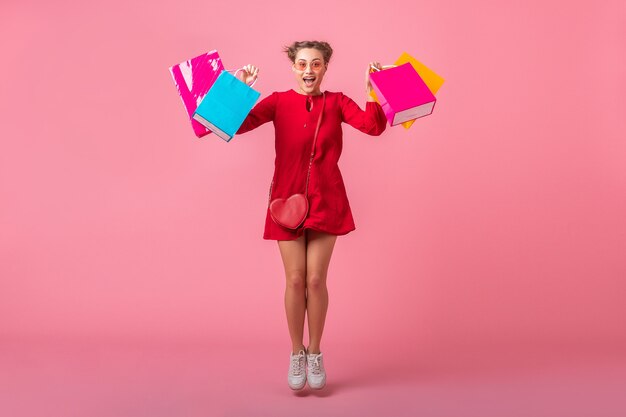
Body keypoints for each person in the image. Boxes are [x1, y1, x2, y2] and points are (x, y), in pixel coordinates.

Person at [235, 40, 387, 390]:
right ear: (293, 67)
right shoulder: (277, 101)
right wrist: (240, 90)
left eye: (316, 64)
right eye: (302, 63)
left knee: (316, 280)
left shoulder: (337, 102)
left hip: (327, 197)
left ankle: (315, 352)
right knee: (295, 280)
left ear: (325, 68)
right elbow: (238, 126)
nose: (308, 70)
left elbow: (372, 126)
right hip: (285, 201)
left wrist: (373, 92)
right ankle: (295, 353)